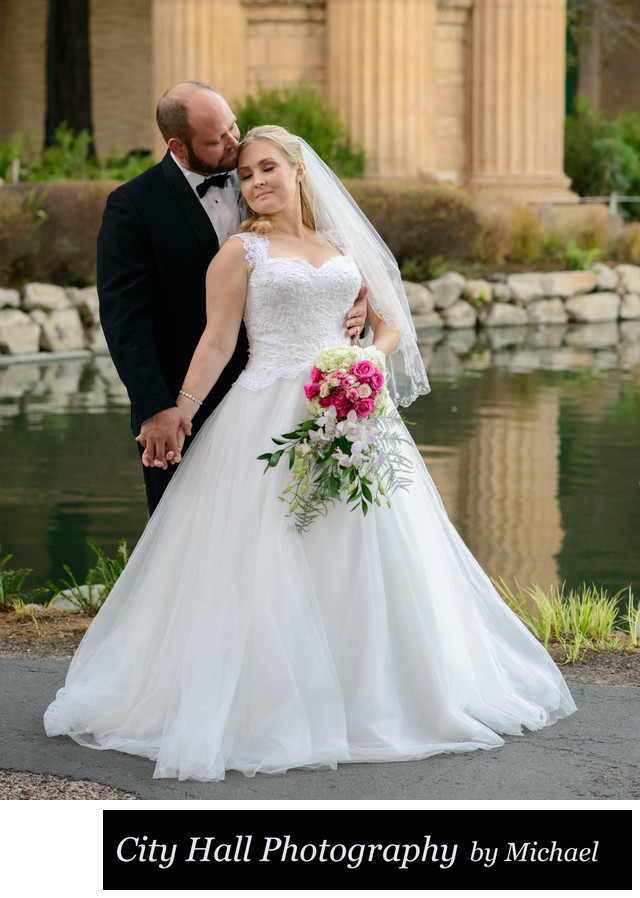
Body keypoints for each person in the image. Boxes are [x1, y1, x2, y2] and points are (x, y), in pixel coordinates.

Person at [45, 126, 576, 782]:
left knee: (367, 550)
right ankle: (265, 702)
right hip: (265, 412)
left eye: (267, 168)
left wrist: (362, 366)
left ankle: (374, 695)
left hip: (352, 408)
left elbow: (391, 326)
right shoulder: (240, 252)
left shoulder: (344, 247)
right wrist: (179, 406)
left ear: (298, 170)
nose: (256, 182)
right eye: (244, 175)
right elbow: (216, 343)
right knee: (265, 552)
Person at [96, 81, 366, 513]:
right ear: (178, 147)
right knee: (190, 534)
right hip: (185, 402)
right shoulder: (133, 206)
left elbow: (308, 270)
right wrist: (158, 407)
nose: (233, 143)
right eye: (217, 139)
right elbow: (124, 318)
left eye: (233, 127)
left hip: (298, 395)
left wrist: (353, 303)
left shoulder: (257, 175)